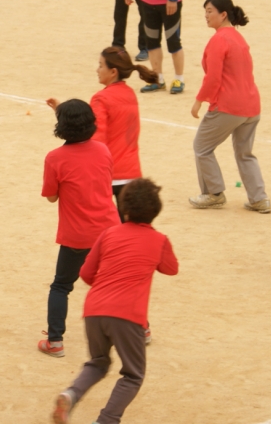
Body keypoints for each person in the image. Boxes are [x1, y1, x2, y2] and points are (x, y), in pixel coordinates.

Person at [51, 178, 178, 424]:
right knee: (133, 375)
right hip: (128, 315)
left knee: (98, 362)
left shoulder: (109, 233)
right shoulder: (158, 240)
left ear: (124, 208)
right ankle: (106, 420)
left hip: (94, 310)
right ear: (156, 211)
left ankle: (71, 394)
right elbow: (171, 268)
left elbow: (87, 274)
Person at [36, 99, 120, 359]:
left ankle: (55, 341)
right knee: (117, 284)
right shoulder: (103, 150)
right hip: (109, 230)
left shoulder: (55, 158)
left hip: (77, 236)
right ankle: (142, 329)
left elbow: (51, 196)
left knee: (61, 286)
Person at [48, 47, 158, 221]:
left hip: (109, 176)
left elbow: (94, 138)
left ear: (113, 71)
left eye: (100, 66)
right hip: (132, 173)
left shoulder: (101, 98)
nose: (97, 70)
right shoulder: (130, 94)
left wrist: (63, 116)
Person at [189, 0, 271, 213]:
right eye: (204, 11)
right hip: (252, 105)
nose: (206, 16)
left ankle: (213, 193)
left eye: (210, 11)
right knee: (245, 153)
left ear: (223, 14)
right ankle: (259, 199)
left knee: (202, 147)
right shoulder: (238, 37)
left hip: (229, 105)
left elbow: (213, 78)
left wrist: (198, 101)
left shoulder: (219, 40)